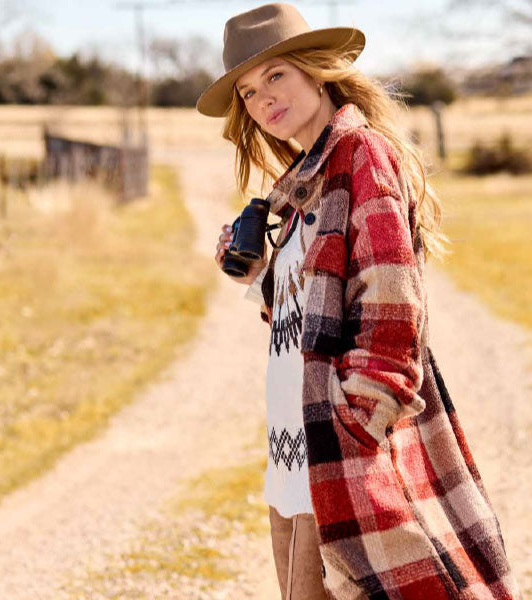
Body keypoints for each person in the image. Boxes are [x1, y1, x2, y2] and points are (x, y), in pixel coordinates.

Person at [197, 4, 521, 600]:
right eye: (247, 92)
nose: (263, 99)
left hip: (343, 453)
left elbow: (393, 305)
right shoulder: (302, 185)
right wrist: (260, 272)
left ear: (316, 72)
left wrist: (358, 425)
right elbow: (306, 317)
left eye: (276, 76)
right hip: (295, 458)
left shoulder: (359, 156)